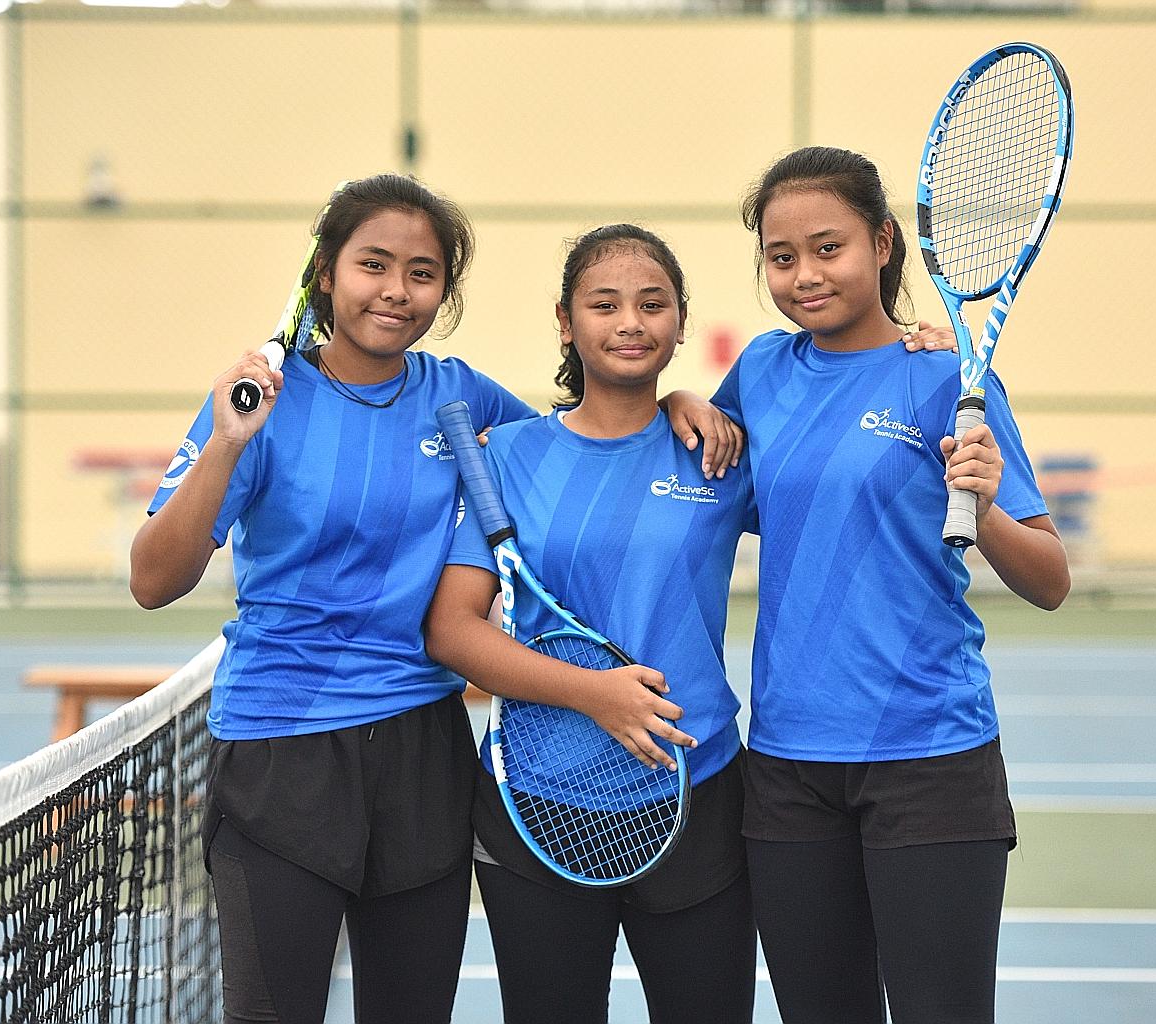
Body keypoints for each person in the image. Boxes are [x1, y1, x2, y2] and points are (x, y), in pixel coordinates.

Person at [128, 178, 740, 1024]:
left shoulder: (458, 398)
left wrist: (676, 400)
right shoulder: (259, 401)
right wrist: (228, 445)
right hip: (283, 747)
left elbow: (584, 440)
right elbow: (153, 581)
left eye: (422, 273)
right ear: (325, 275)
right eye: (373, 265)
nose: (395, 291)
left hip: (423, 751)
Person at [717, 146, 1072, 1024]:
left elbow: (1050, 580)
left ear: (881, 243)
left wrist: (983, 508)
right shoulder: (759, 372)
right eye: (781, 256)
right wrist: (680, 405)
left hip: (929, 757)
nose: (804, 274)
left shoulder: (948, 377)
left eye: (827, 248)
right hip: (789, 765)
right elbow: (692, 474)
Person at [423, 224, 761, 1024]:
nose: (630, 322)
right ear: (566, 322)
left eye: (653, 304)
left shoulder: (718, 453)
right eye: (604, 305)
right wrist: (592, 694)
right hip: (536, 798)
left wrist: (906, 349)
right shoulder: (507, 456)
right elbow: (453, 630)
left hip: (697, 791)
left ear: (681, 322)